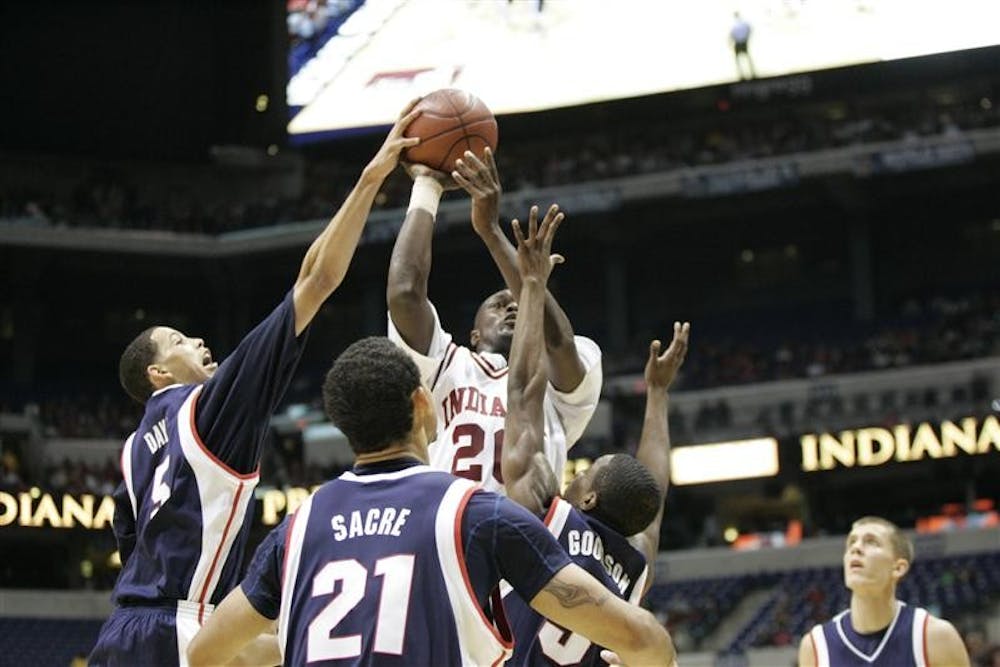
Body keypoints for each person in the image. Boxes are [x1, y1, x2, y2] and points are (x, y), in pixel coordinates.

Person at [88, 99, 423, 666]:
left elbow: (134, 542)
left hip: (124, 630)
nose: (197, 342)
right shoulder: (208, 409)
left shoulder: (131, 450)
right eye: (179, 341)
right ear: (158, 373)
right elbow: (315, 281)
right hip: (178, 627)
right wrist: (372, 175)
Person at [186, 335, 676, 667]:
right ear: (423, 403)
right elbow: (646, 639)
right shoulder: (479, 514)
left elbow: (206, 653)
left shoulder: (297, 528)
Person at [497, 204, 688, 666]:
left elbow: (522, 394)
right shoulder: (633, 567)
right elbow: (653, 496)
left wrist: (533, 286)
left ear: (587, 501)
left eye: (586, 475)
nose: (575, 476)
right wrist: (657, 396)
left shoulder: (552, 520)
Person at [386, 147, 602, 493]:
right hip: (450, 535)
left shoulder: (571, 369)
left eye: (518, 301)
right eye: (499, 305)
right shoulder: (446, 367)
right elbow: (404, 294)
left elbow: (557, 342)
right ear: (473, 334)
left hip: (527, 536)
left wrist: (492, 232)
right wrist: (427, 186)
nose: (513, 307)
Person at [798, 516, 970, 667]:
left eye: (871, 542)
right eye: (851, 542)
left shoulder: (935, 637)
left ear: (898, 568)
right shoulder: (815, 646)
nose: (855, 548)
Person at [730, 11, 756, 80]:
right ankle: (743, 74)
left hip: (741, 42)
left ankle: (749, 74)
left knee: (745, 58)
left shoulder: (740, 24)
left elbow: (749, 30)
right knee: (741, 58)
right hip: (740, 43)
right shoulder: (737, 24)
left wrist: (746, 38)